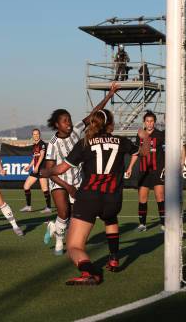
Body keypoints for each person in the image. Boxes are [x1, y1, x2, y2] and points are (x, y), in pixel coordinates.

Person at [40, 109, 146, 285]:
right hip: (113, 199)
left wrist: (44, 172)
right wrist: (144, 137)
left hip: (89, 198)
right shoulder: (122, 141)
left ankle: (89, 271)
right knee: (110, 218)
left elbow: (59, 170)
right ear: (110, 124)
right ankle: (113, 258)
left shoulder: (85, 143)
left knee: (74, 246)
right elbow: (144, 152)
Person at [43, 82, 121, 255]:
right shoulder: (52, 145)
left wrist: (109, 95)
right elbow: (50, 171)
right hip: (59, 181)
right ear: (57, 125)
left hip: (78, 181)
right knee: (63, 212)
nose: (69, 123)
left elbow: (94, 114)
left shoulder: (77, 130)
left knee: (73, 216)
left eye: (69, 119)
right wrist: (67, 186)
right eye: (65, 121)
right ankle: (59, 242)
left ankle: (53, 227)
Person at [133, 111, 166, 232]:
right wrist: (130, 167)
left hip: (157, 170)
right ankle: (142, 225)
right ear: (144, 122)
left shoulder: (160, 135)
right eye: (147, 121)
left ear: (155, 122)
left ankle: (164, 224)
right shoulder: (140, 134)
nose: (149, 123)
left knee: (160, 196)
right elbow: (136, 153)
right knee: (142, 197)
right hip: (143, 171)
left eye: (152, 121)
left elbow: (167, 150)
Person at [20, 128, 51, 213]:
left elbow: (41, 156)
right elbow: (35, 157)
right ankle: (28, 206)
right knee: (26, 186)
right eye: (34, 134)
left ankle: (48, 208)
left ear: (39, 134)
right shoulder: (34, 145)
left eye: (37, 134)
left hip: (42, 169)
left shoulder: (42, 144)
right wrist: (29, 166)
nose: (36, 135)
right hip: (35, 170)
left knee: (44, 188)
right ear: (32, 135)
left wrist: (37, 167)